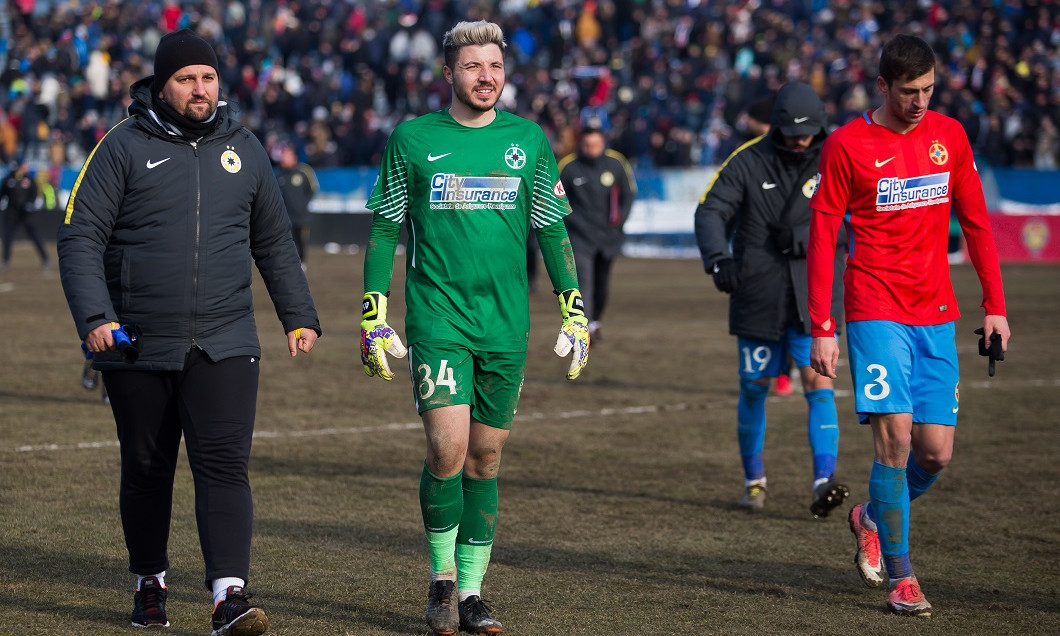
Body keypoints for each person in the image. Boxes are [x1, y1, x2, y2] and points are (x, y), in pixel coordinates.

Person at [56, 28, 321, 636]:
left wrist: (298, 314)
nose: (200, 89)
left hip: (226, 338)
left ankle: (229, 596)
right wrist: (96, 318)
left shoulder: (246, 149)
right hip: (139, 341)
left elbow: (274, 240)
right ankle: (150, 581)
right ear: (162, 84)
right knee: (147, 467)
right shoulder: (120, 146)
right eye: (186, 79)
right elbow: (80, 237)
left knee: (225, 465)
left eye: (208, 78)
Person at [358, 20, 589, 636]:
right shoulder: (412, 140)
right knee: (448, 449)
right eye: (472, 67)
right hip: (439, 319)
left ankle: (472, 592)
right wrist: (373, 310)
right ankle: (439, 579)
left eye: (494, 66)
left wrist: (573, 304)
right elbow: (385, 228)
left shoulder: (529, 141)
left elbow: (552, 230)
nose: (486, 77)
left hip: (506, 324)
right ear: (448, 74)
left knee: (485, 460)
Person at [807, 34, 1010, 618]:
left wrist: (993, 306)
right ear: (882, 86)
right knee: (894, 437)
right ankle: (903, 576)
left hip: (936, 313)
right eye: (907, 91)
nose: (919, 102)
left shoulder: (949, 136)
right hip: (873, 307)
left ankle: (871, 515)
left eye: (927, 89)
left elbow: (975, 224)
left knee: (936, 452)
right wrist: (822, 325)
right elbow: (823, 236)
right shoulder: (847, 145)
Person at [694, 82, 849, 518]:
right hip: (757, 294)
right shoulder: (747, 160)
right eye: (791, 131)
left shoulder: (837, 157)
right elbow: (710, 211)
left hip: (814, 298)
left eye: (808, 131)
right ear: (776, 125)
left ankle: (824, 481)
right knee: (753, 389)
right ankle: (754, 482)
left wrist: (804, 237)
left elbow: (859, 222)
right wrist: (718, 259)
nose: (800, 139)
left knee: (820, 386)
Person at [558, 127, 636, 339]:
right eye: (587, 145)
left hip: (608, 237)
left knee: (602, 283)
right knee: (584, 281)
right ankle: (585, 329)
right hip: (579, 237)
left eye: (596, 145)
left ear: (603, 144)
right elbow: (558, 201)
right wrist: (574, 225)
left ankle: (595, 320)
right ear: (580, 145)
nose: (591, 149)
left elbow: (628, 196)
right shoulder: (569, 167)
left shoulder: (616, 164)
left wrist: (618, 222)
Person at [274, 142, 318, 269]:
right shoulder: (280, 175)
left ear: (293, 157)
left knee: (301, 240)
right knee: (288, 240)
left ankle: (302, 263)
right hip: (286, 216)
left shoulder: (304, 171)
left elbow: (313, 189)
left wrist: (303, 205)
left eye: (286, 155)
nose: (283, 158)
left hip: (302, 215)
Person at [1, 162, 50, 271]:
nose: (26, 168)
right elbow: (3, 193)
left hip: (26, 213)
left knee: (35, 235)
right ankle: (5, 261)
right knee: (7, 237)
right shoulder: (9, 179)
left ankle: (45, 259)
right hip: (11, 212)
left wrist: (30, 204)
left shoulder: (29, 179)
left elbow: (34, 193)